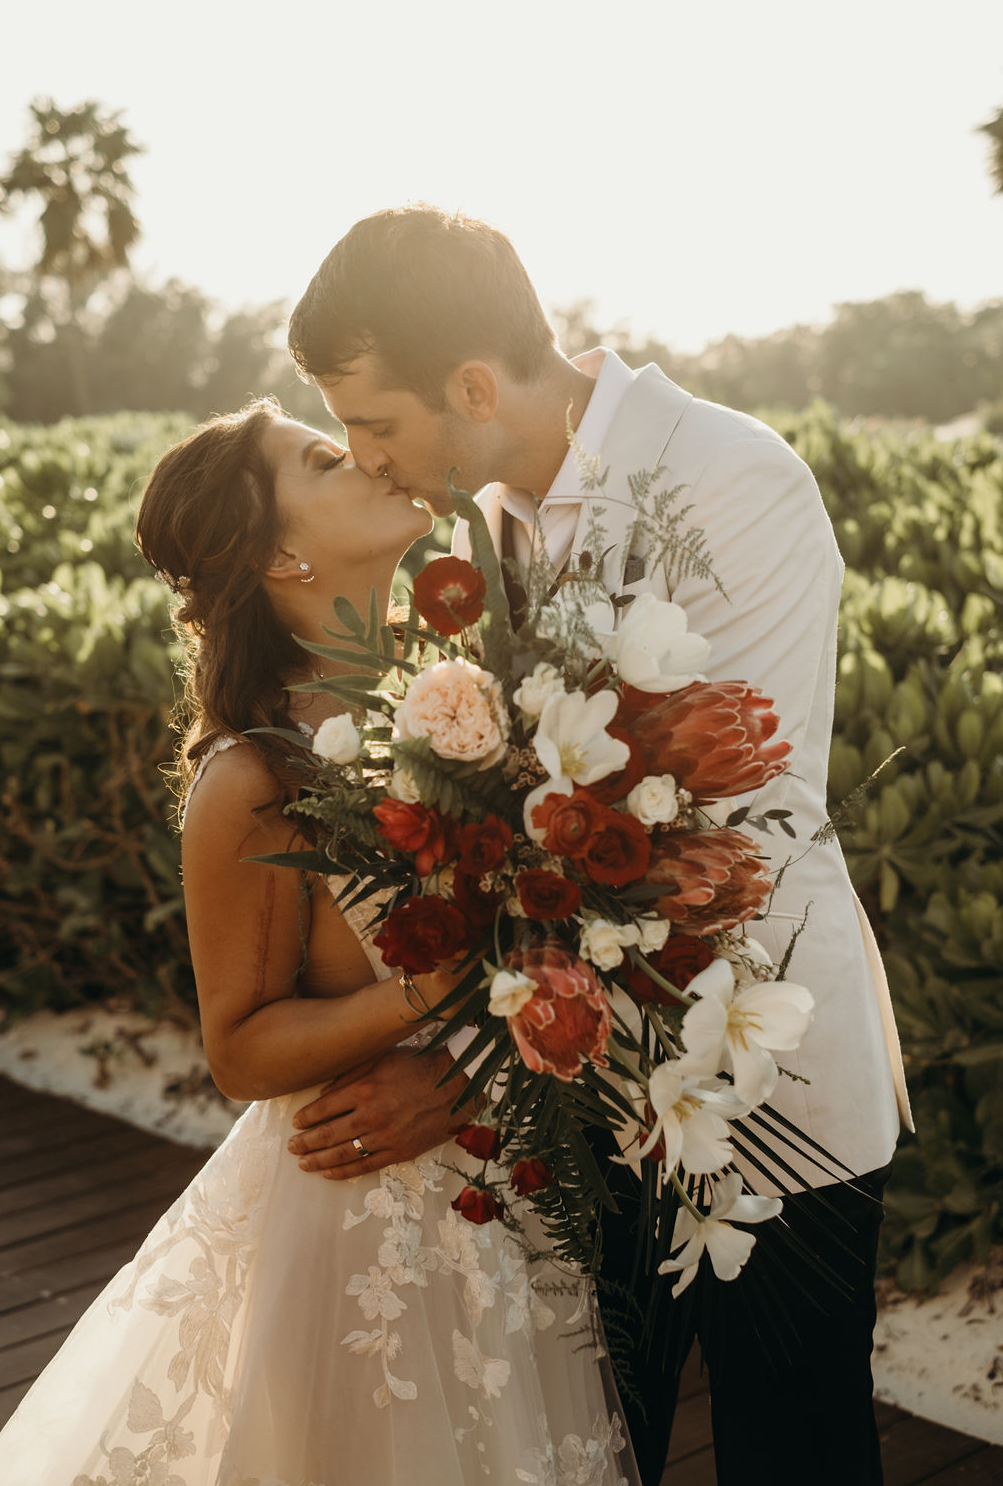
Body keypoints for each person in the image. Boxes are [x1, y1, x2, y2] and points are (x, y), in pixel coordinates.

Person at [285, 206, 914, 1486]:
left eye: (378, 424)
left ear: (471, 384)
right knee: (594, 1448)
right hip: (580, 1107)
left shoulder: (729, 479)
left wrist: (465, 1068)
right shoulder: (484, 524)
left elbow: (722, 836)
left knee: (795, 1451)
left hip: (763, 1094)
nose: (365, 459)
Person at [0, 399, 638, 1486]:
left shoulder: (466, 693)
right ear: (281, 553)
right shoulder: (251, 778)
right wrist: (428, 991)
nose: (374, 459)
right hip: (360, 1232)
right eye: (330, 458)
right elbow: (238, 1049)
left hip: (502, 1198)